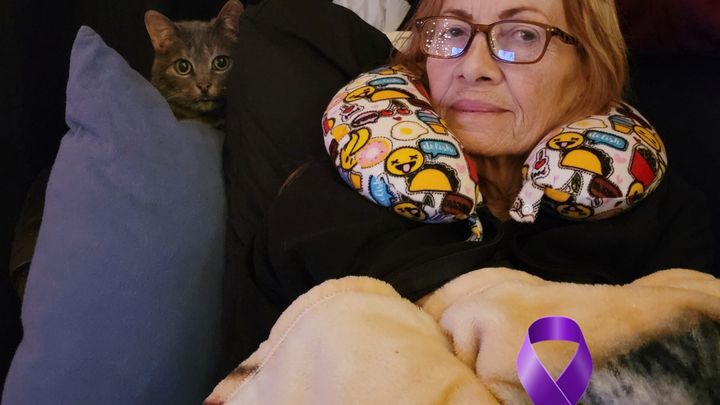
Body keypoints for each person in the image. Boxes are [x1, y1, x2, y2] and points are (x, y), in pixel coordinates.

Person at [220, 0, 716, 376]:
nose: (473, 66)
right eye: (453, 31)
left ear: (589, 66)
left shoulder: (665, 223)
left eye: (523, 35)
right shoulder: (321, 211)